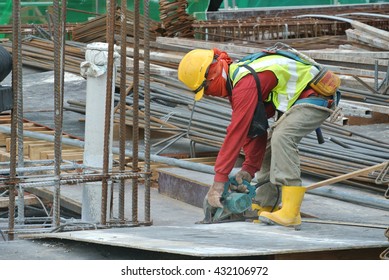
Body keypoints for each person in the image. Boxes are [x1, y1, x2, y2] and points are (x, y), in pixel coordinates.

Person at [177, 46, 340, 229]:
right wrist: (248, 169)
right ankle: (265, 203)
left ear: (212, 76)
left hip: (317, 97)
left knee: (282, 136)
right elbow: (255, 130)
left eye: (205, 89)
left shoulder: (244, 83)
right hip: (301, 98)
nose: (208, 94)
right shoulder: (237, 82)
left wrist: (219, 182)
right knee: (270, 146)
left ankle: (291, 212)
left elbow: (236, 133)